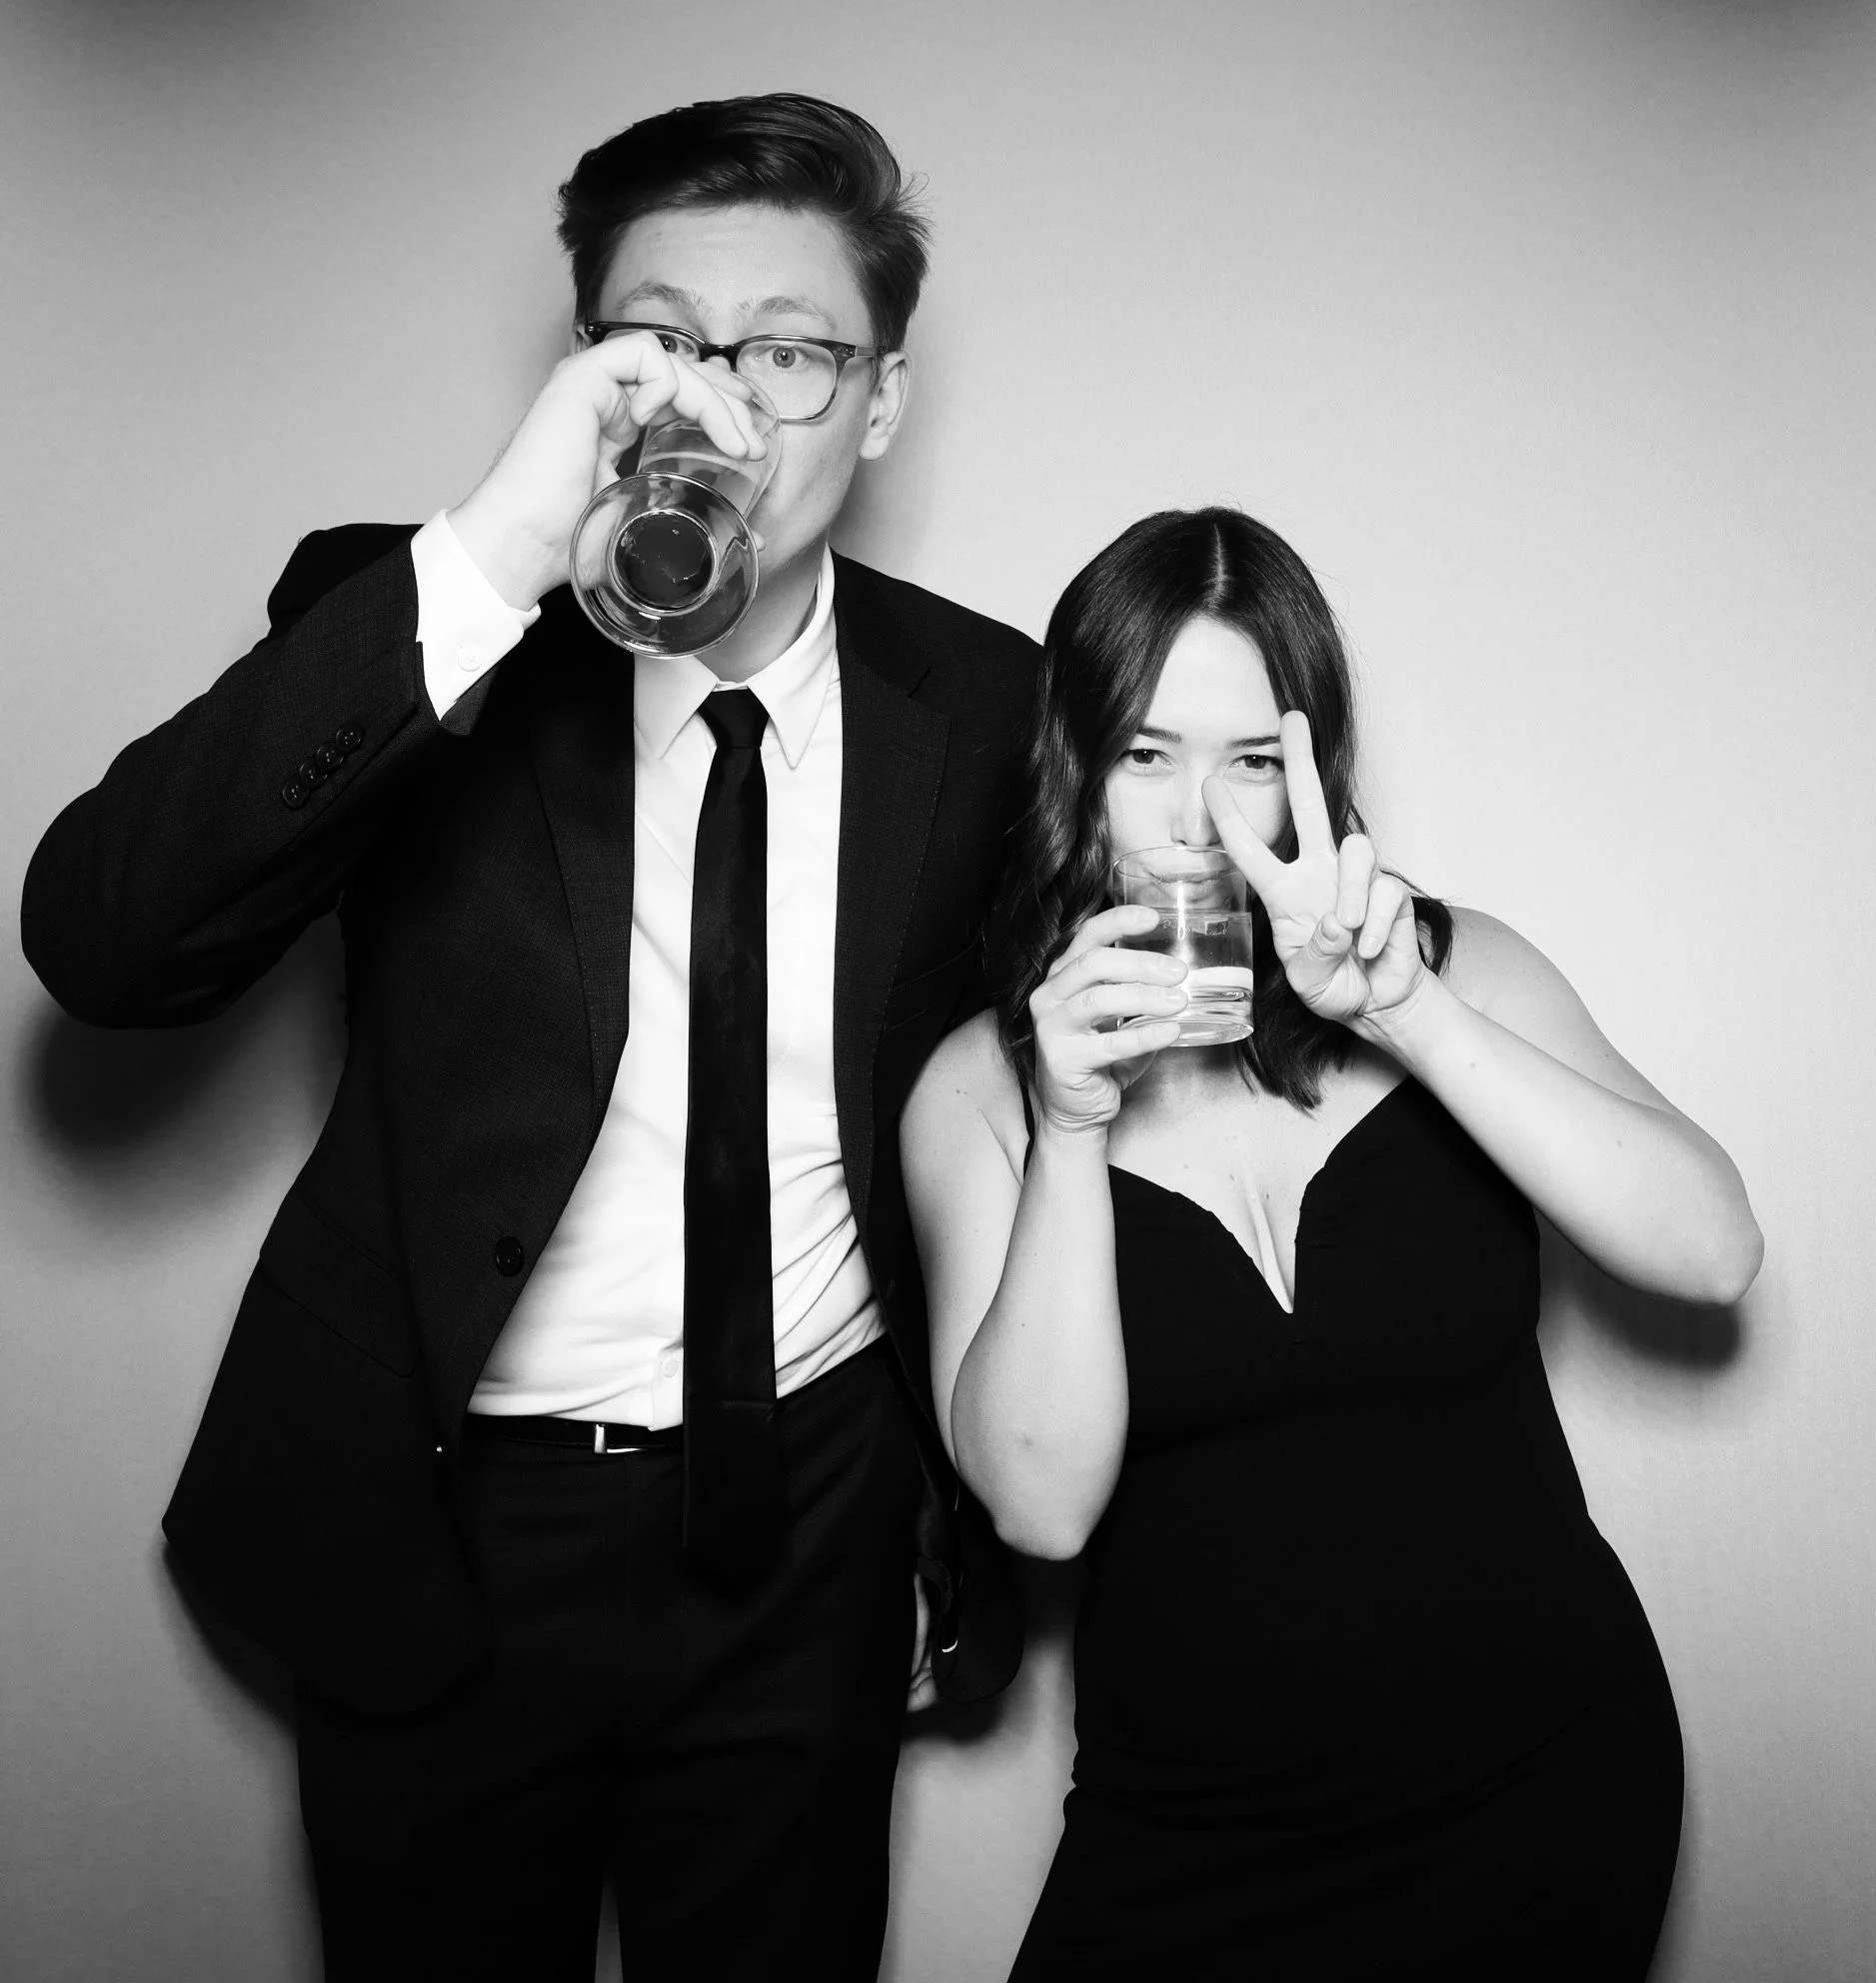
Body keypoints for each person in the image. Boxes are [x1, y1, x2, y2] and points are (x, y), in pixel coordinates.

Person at [22, 94, 1032, 1981]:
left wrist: (939, 1500)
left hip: (806, 1523)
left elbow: (1028, 1104)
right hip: (445, 1534)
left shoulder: (984, 700)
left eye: (792, 355)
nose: (721, 407)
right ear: (588, 372)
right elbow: (103, 945)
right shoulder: (410, 612)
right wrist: (495, 547)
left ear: (878, 402)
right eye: (660, 346)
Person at [902, 508, 1765, 1979]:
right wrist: (1071, 1124)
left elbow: (1712, 1252)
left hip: (1543, 1787)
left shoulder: (1461, 966)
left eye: (1251, 762)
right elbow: (1040, 1506)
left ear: (1311, 772)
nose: (1198, 821)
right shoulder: (981, 1090)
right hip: (1196, 1836)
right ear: (1075, 764)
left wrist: (1403, 1014)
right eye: (1149, 755)